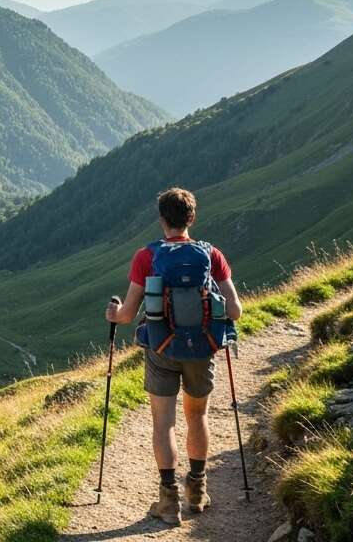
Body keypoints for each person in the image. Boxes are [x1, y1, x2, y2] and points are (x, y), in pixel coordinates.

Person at [105, 187, 243, 525]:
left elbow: (127, 314)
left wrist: (114, 312)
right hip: (202, 349)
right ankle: (196, 492)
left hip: (161, 348)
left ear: (162, 220)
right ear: (191, 218)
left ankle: (168, 503)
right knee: (198, 417)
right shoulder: (212, 255)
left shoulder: (146, 257)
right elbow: (236, 310)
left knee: (163, 423)